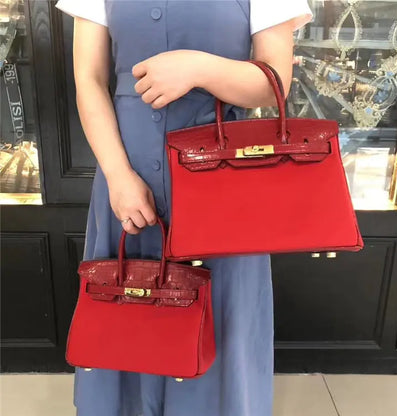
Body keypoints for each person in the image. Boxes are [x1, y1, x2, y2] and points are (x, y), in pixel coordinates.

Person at [54, 0, 313, 415]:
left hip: (223, 181)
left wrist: (200, 69)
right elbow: (89, 79)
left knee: (222, 312)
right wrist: (118, 176)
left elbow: (274, 83)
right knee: (125, 302)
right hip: (128, 178)